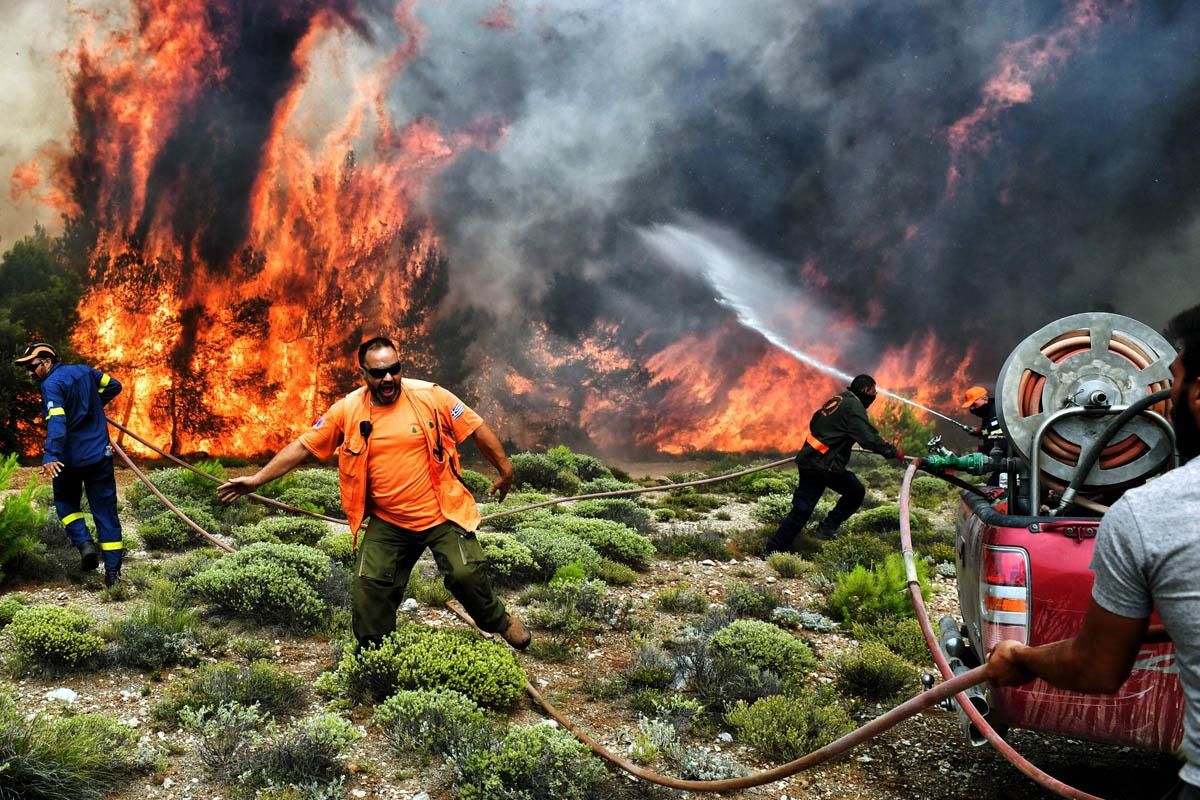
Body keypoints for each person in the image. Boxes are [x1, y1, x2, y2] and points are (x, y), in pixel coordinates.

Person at [986, 303, 1200, 800]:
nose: (1163, 399)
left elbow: (1096, 667)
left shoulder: (1150, 516)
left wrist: (1023, 657)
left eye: (1176, 382)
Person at [217, 336, 529, 650]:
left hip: (441, 512)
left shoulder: (432, 396)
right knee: (369, 588)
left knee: (465, 575)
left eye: (394, 369)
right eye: (378, 373)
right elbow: (303, 446)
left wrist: (505, 470)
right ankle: (376, 657)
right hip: (389, 521)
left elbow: (476, 427)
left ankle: (499, 622)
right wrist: (257, 479)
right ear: (364, 374)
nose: (388, 378)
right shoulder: (348, 409)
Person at [14, 342, 124, 586]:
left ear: (47, 361)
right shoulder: (86, 371)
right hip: (99, 457)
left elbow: (57, 422)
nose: (30, 373)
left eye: (32, 367)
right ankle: (113, 574)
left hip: (69, 460)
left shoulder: (50, 384)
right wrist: (93, 407)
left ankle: (85, 546)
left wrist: (51, 455)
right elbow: (114, 385)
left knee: (65, 504)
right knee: (106, 512)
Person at [763, 374, 904, 556]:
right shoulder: (854, 406)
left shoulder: (839, 399)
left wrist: (836, 438)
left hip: (810, 459)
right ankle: (825, 529)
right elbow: (869, 439)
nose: (874, 396)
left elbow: (814, 421)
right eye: (874, 392)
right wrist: (892, 451)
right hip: (823, 465)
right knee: (855, 491)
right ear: (866, 390)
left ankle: (774, 548)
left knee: (803, 509)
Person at [960, 385, 1005, 486]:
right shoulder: (987, 415)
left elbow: (999, 437)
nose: (972, 408)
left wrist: (983, 450)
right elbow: (987, 430)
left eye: (974, 404)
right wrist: (978, 432)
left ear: (985, 399)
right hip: (1000, 463)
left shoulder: (999, 411)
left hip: (1010, 460)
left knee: (995, 488)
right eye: (970, 406)